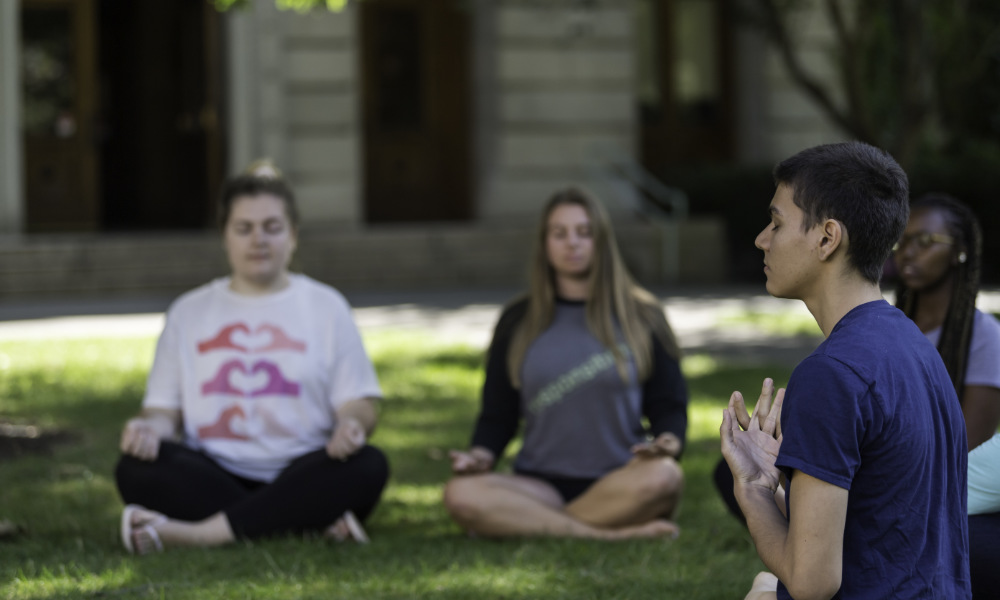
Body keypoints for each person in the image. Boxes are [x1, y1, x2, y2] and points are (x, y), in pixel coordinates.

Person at [720, 141, 970, 599]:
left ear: (827, 238)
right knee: (761, 588)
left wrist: (753, 492)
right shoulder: (912, 343)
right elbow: (878, 525)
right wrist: (772, 485)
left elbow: (812, 582)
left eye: (776, 222)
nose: (762, 238)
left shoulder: (831, 374)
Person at [115, 174, 388, 554]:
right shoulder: (188, 311)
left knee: (368, 464)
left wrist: (352, 425)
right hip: (213, 470)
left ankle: (198, 534)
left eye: (271, 227)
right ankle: (305, 521)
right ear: (225, 235)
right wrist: (147, 429)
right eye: (244, 228)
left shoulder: (327, 306)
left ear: (292, 235)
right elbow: (163, 411)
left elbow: (359, 402)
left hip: (304, 469)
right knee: (135, 468)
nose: (258, 240)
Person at [442, 186, 687, 540]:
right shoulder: (518, 319)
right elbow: (498, 415)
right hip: (539, 483)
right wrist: (480, 457)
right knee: (460, 493)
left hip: (620, 478)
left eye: (584, 232)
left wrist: (668, 442)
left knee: (665, 476)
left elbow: (670, 405)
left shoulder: (642, 315)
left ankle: (523, 523)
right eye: (559, 233)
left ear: (601, 240)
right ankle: (608, 533)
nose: (572, 243)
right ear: (544, 243)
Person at [893, 193, 1000, 598]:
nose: (908, 252)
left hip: (944, 491)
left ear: (959, 252)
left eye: (925, 241)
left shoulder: (982, 335)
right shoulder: (888, 326)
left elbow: (968, 447)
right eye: (901, 241)